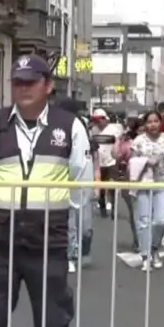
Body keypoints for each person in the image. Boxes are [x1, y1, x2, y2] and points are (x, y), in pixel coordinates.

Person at [0, 54, 93, 327]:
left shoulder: (70, 126)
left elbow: (82, 182)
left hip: (49, 240)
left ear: (47, 85)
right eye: (17, 82)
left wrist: (68, 225)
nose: (23, 88)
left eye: (31, 81)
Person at [130, 110, 164, 271]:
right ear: (145, 124)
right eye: (149, 121)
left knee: (162, 220)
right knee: (144, 221)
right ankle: (146, 256)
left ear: (161, 123)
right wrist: (146, 161)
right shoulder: (138, 141)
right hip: (143, 184)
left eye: (156, 121)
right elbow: (132, 162)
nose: (152, 124)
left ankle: (155, 248)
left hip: (163, 184)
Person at [56, 97, 98, 273]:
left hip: (78, 181)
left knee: (81, 223)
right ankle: (72, 255)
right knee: (72, 221)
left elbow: (83, 160)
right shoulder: (60, 126)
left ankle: (80, 251)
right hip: (69, 182)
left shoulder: (76, 127)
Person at [113, 117, 142, 252]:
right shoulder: (125, 141)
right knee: (135, 212)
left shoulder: (158, 140)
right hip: (129, 179)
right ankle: (139, 241)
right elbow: (116, 155)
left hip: (148, 180)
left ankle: (143, 240)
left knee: (141, 213)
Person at [90, 108, 123, 218]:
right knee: (101, 187)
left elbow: (118, 143)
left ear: (105, 119)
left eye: (99, 119)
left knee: (112, 186)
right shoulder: (93, 130)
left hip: (111, 162)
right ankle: (102, 207)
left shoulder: (114, 129)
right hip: (98, 163)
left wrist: (117, 152)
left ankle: (114, 208)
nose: (97, 122)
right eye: (95, 120)